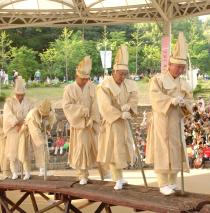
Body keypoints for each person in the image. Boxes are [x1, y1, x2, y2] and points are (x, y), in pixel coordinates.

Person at [146, 32, 193, 195]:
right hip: (162, 121)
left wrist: (184, 104)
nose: (180, 70)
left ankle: (172, 182)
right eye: (178, 67)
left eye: (182, 67)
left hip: (176, 122)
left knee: (176, 149)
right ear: (170, 65)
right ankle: (162, 183)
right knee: (163, 149)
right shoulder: (158, 80)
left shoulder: (184, 83)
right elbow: (154, 97)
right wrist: (170, 101)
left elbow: (190, 103)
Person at [96, 45, 138, 190]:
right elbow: (104, 106)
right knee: (113, 150)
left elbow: (134, 97)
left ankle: (120, 176)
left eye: (125, 74)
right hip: (112, 123)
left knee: (123, 149)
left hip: (124, 123)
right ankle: (117, 178)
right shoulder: (104, 86)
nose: (123, 77)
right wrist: (120, 113)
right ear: (114, 72)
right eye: (120, 74)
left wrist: (130, 107)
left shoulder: (129, 84)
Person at [62, 56, 100, 185]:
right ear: (76, 76)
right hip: (78, 125)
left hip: (90, 123)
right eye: (83, 79)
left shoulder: (91, 87)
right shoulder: (69, 89)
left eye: (87, 79)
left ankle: (95, 172)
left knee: (94, 146)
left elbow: (95, 104)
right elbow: (66, 106)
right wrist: (80, 110)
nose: (85, 81)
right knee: (81, 147)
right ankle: (82, 174)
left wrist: (93, 118)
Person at [3, 76, 33, 180]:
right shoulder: (9, 102)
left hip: (24, 128)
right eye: (18, 95)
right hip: (13, 129)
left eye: (21, 95)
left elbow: (31, 114)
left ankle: (27, 172)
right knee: (13, 152)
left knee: (25, 151)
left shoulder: (28, 101)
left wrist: (24, 124)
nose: (20, 97)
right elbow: (7, 115)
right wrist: (16, 124)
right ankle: (14, 172)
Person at [19, 99, 56, 178]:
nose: (45, 115)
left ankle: (42, 170)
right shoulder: (32, 114)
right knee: (26, 152)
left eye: (47, 114)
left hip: (41, 132)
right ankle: (27, 173)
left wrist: (48, 127)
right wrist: (41, 142)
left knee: (43, 150)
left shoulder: (51, 113)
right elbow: (35, 131)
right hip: (27, 132)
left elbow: (50, 125)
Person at [0, 115, 10, 179]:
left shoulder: (2, 117)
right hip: (3, 137)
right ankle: (5, 171)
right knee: (4, 154)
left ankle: (5, 171)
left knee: (4, 153)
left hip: (4, 136)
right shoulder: (2, 117)